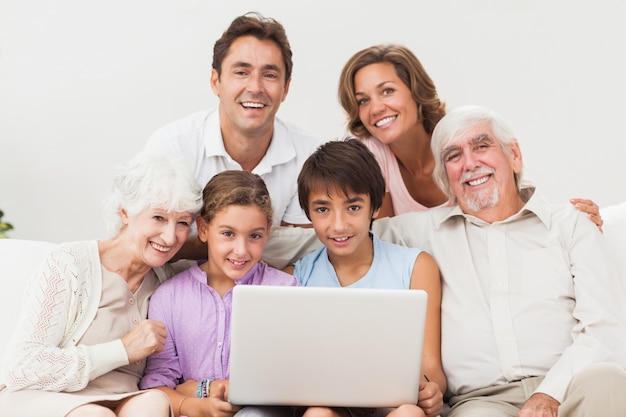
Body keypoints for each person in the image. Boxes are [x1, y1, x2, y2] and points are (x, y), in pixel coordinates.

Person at [370, 105, 626, 416]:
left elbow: (603, 328)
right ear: (444, 178)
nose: (470, 163)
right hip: (482, 402)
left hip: (570, 387)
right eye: (453, 156)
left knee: (608, 380)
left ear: (514, 156)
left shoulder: (571, 224)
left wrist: (549, 394)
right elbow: (339, 232)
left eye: (481, 146)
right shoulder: (417, 233)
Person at [0, 152, 203, 417]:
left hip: (122, 397)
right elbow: (23, 366)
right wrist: (122, 350)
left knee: (153, 403)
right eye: (159, 218)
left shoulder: (171, 279)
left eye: (183, 223)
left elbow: (244, 247)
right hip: (48, 397)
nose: (170, 236)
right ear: (125, 212)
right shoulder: (71, 262)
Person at [337, 44, 604, 229]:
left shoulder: (460, 138)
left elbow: (511, 197)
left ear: (414, 90)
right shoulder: (372, 155)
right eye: (363, 101)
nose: (376, 108)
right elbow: (385, 240)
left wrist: (571, 221)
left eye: (387, 91)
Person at [144, 12, 323, 260]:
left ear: (286, 88)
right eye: (241, 72)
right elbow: (145, 243)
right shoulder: (172, 147)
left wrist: (196, 243)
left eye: (269, 75)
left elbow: (300, 254)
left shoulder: (309, 154)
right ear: (215, 81)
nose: (255, 87)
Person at [285, 139, 445, 417]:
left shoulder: (416, 266)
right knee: (317, 413)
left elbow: (432, 368)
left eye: (353, 207)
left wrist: (431, 390)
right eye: (323, 209)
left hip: (396, 408)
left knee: (410, 413)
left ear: (375, 207)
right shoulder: (296, 277)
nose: (339, 225)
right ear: (308, 214)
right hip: (332, 408)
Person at [140, 170, 298, 417]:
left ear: (267, 232)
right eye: (228, 234)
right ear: (203, 229)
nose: (241, 250)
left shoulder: (285, 291)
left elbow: (294, 377)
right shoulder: (169, 297)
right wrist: (202, 394)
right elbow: (157, 384)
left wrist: (198, 387)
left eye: (254, 236)